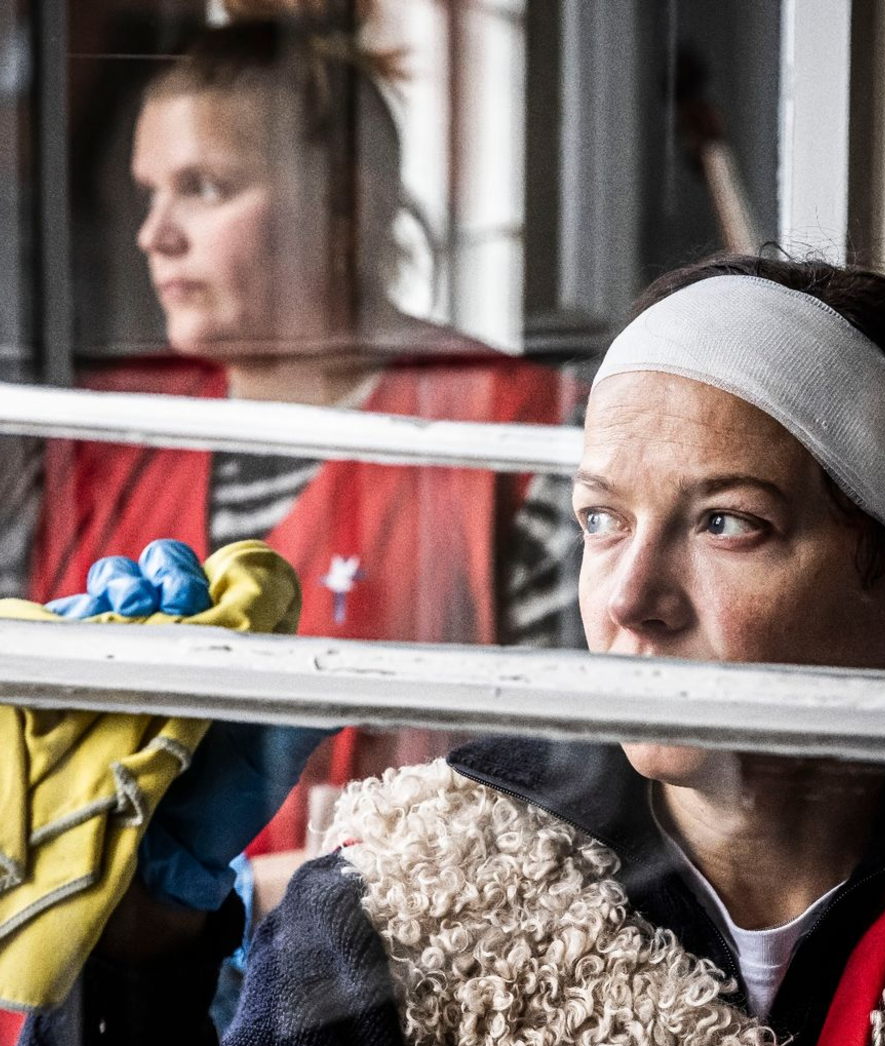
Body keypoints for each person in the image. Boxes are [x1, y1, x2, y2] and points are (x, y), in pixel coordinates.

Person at [0, 254, 885, 1046]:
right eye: (602, 519)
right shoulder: (412, 894)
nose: (630, 597)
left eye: (728, 522)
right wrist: (136, 933)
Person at [28, 15, 579, 854]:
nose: (155, 234)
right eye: (149, 193)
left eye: (203, 186)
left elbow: (580, 795)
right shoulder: (106, 446)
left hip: (402, 971)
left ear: (344, 201)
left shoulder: (520, 437)